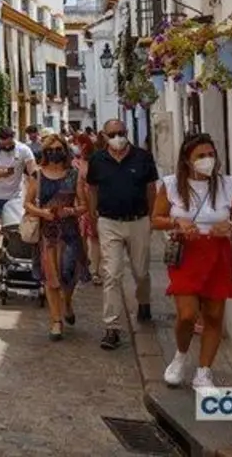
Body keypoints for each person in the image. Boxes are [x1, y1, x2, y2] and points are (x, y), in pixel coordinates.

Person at [152, 134, 232, 390]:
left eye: (211, 154)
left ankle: (204, 371)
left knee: (214, 315)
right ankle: (180, 355)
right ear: (188, 160)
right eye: (201, 156)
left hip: (217, 253)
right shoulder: (172, 185)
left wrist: (229, 226)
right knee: (187, 314)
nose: (208, 160)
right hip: (187, 253)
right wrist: (178, 222)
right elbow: (156, 219)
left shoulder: (227, 185)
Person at [86, 118, 160, 351]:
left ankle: (144, 301)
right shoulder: (98, 160)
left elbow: (151, 188)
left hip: (138, 220)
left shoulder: (142, 157)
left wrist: (152, 216)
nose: (118, 137)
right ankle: (112, 328)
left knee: (140, 270)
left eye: (121, 132)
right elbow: (92, 188)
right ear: (104, 136)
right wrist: (92, 215)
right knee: (112, 273)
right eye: (112, 133)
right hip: (109, 222)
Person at [23, 135, 90, 340]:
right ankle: (56, 321)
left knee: (69, 275)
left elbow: (84, 205)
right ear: (45, 152)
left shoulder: (73, 174)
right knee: (51, 278)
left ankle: (67, 302)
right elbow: (27, 203)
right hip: (47, 234)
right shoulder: (38, 175)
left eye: (58, 148)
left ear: (65, 150)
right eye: (50, 149)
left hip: (69, 232)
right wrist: (43, 213)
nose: (54, 152)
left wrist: (69, 211)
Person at [0, 127, 37, 233]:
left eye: (10, 144)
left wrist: (33, 194)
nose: (7, 146)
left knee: (15, 229)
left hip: (15, 197)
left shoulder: (23, 149)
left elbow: (33, 173)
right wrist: (1, 173)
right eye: (4, 145)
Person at [73, 133, 103, 284]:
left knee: (94, 237)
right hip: (82, 205)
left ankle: (95, 270)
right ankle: (86, 266)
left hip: (94, 204)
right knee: (83, 237)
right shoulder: (77, 162)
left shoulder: (97, 161)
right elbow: (77, 184)